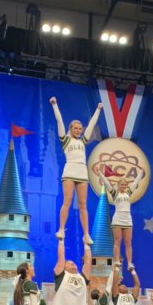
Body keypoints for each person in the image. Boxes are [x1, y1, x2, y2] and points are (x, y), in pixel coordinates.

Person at [49, 97, 102, 244]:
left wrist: (98, 110)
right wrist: (55, 105)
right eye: (75, 128)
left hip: (82, 172)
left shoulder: (83, 141)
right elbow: (59, 121)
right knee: (67, 201)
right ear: (70, 129)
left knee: (83, 204)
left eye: (80, 128)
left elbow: (91, 125)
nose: (78, 130)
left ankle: (86, 234)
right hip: (70, 171)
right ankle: (61, 229)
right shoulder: (66, 140)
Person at [98, 169, 135, 270]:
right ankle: (117, 260)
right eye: (121, 184)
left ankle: (129, 263)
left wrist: (141, 173)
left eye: (125, 184)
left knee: (128, 243)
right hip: (117, 219)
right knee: (117, 241)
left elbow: (135, 183)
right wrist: (100, 173)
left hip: (127, 219)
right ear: (118, 185)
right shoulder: (115, 193)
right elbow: (106, 182)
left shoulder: (128, 193)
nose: (123, 186)